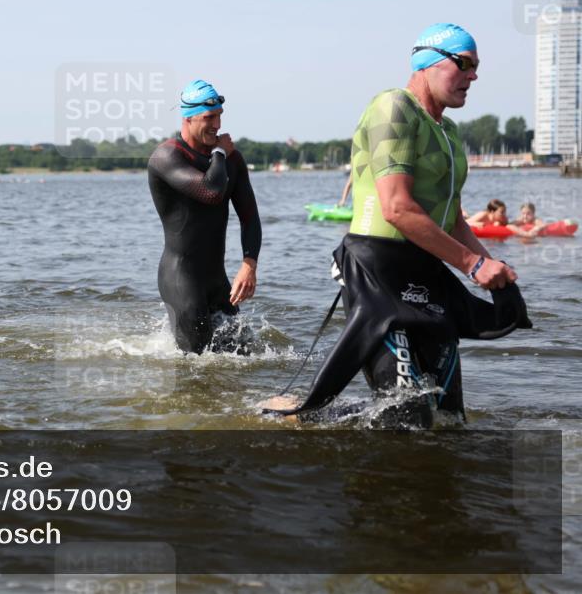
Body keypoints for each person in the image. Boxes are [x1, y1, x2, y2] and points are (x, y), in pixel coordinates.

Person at [263, 23, 530, 427]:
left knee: (450, 419)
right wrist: (472, 266)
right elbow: (397, 209)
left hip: (426, 276)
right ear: (429, 62)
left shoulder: (450, 133)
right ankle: (304, 417)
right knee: (407, 416)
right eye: (465, 64)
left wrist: (493, 269)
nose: (473, 76)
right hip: (378, 274)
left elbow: (453, 219)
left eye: (477, 67)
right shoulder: (394, 107)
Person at [147, 79, 261, 354]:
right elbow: (211, 192)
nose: (217, 125)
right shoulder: (167, 157)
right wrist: (220, 151)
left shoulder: (232, 160)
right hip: (180, 278)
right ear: (187, 117)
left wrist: (249, 264)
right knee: (194, 365)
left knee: (245, 354)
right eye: (209, 117)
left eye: (220, 116)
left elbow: (250, 218)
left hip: (216, 280)